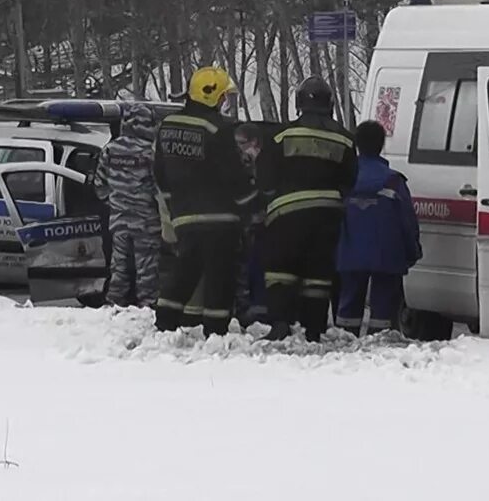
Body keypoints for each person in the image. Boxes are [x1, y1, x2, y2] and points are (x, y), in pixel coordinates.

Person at [153, 67, 255, 335]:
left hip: (184, 217)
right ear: (211, 96)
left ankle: (165, 320)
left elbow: (159, 172)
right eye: (222, 97)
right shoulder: (218, 129)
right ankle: (215, 329)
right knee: (220, 275)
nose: (224, 102)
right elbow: (234, 176)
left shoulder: (167, 126)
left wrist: (173, 210)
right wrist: (252, 207)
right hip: (220, 220)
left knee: (185, 269)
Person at [257, 78, 358, 342]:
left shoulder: (281, 135)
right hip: (327, 216)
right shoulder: (346, 140)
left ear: (299, 102)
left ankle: (280, 323)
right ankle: (314, 328)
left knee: (281, 269)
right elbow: (349, 181)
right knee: (319, 273)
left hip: (286, 215)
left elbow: (264, 177)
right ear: (330, 104)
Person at [335, 121, 421, 336]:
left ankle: (344, 342)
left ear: (357, 144)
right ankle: (377, 345)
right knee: (383, 310)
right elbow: (407, 221)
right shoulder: (393, 181)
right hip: (387, 256)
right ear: (382, 145)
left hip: (349, 254)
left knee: (348, 306)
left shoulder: (344, 180)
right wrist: (412, 253)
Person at [92, 104, 162, 308]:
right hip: (147, 223)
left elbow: (99, 186)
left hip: (119, 221)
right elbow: (160, 187)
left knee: (119, 270)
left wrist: (117, 204)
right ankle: (147, 312)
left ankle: (114, 308)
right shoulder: (151, 152)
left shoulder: (110, 150)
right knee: (147, 273)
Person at [233, 122, 267, 325]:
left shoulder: (257, 162)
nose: (238, 147)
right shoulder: (241, 162)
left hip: (252, 224)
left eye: (241, 143)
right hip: (242, 223)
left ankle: (246, 308)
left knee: (247, 267)